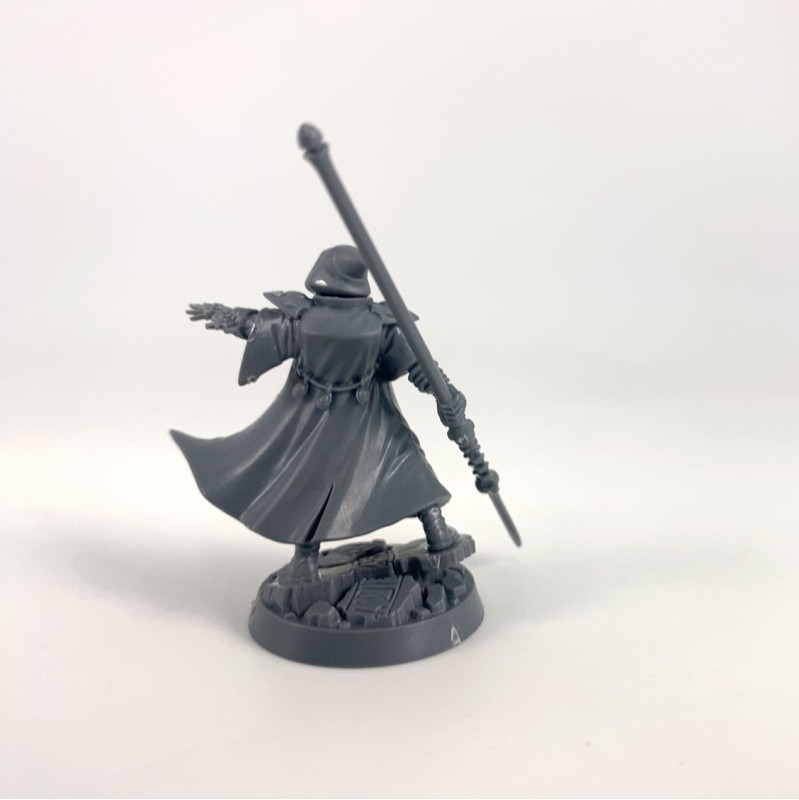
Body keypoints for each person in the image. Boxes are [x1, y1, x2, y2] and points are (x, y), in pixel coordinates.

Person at [171, 245, 472, 580]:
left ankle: (306, 560)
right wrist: (446, 392)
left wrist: (229, 317)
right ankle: (436, 530)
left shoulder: (303, 318)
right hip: (370, 421)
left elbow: (258, 325)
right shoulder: (381, 322)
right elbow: (420, 367)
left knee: (311, 484)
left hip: (320, 423)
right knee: (403, 464)